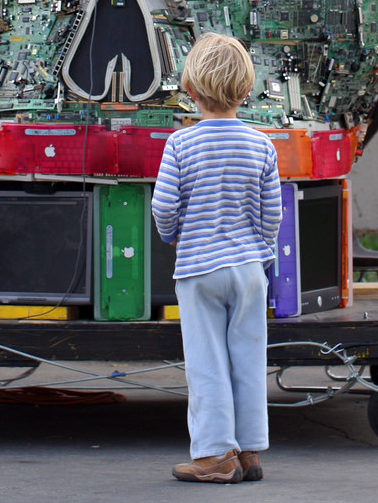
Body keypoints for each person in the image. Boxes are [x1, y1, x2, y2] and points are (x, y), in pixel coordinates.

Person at [151, 34, 282, 484]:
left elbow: (164, 206)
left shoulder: (180, 146)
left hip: (199, 269)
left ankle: (213, 456)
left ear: (190, 91)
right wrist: (259, 251)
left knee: (208, 363)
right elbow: (272, 213)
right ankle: (249, 451)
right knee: (247, 358)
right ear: (246, 92)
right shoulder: (262, 145)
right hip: (249, 270)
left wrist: (173, 237)